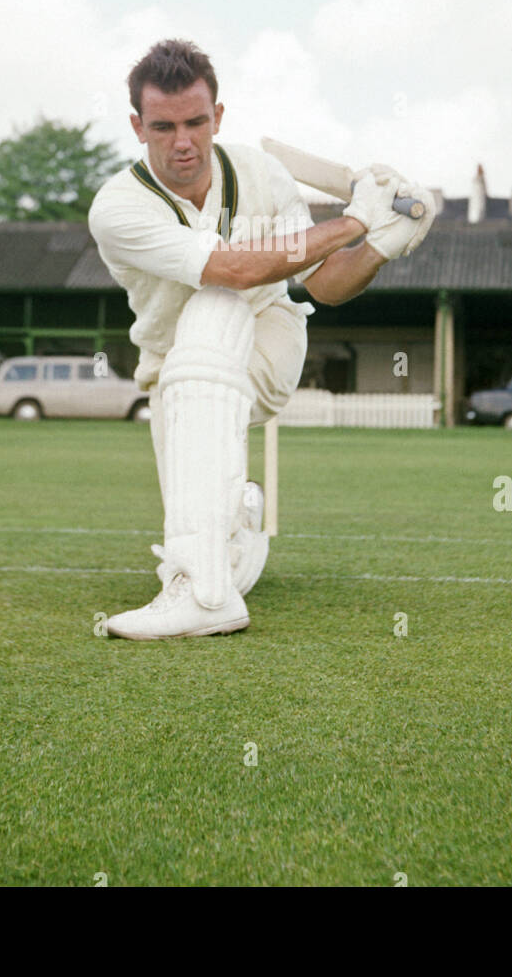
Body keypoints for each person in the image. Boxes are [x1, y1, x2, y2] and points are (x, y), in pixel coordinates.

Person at [87, 39, 436, 639]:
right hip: (172, 368)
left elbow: (323, 285)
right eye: (164, 127)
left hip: (268, 338)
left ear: (218, 116)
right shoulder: (117, 209)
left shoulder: (260, 171)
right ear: (137, 127)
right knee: (205, 527)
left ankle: (201, 595)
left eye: (197, 122)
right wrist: (355, 221)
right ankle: (231, 537)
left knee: (216, 309)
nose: (184, 142)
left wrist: (381, 246)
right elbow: (235, 267)